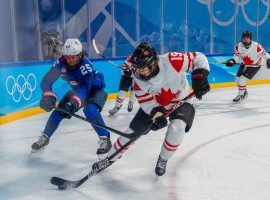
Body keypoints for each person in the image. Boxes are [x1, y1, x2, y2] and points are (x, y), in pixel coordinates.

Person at [92, 41, 210, 176]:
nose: (140, 71)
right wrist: (156, 115)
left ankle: (163, 158)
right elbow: (147, 103)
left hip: (181, 100)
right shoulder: (137, 80)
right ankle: (110, 158)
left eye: (144, 67)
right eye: (138, 68)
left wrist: (200, 76)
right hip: (157, 104)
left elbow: (199, 57)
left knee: (177, 128)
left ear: (153, 62)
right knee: (131, 133)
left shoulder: (171, 60)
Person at [31, 38, 112, 157]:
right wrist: (47, 93)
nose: (70, 60)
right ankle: (45, 137)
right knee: (58, 112)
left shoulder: (86, 67)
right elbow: (47, 80)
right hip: (77, 91)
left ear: (80, 55)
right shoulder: (60, 63)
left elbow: (84, 90)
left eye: (73, 56)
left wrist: (73, 102)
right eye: (67, 56)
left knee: (90, 110)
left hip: (94, 90)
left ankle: (105, 139)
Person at [225, 30, 270, 103]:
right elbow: (236, 58)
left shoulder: (256, 46)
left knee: (242, 80)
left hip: (254, 66)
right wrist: (232, 61)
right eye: (244, 38)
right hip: (244, 64)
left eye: (247, 38)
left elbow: (265, 55)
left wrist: (269, 59)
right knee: (237, 80)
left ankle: (240, 95)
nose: (245, 40)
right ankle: (244, 92)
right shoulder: (238, 46)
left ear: (250, 39)